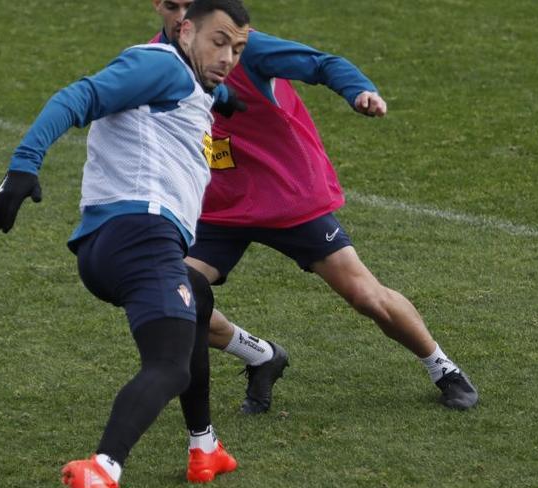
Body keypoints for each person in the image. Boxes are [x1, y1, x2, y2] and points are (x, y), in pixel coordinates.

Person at [150, 0, 479, 411]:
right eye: (174, 5)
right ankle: (261, 355)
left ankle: (442, 367)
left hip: (288, 197)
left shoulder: (247, 48)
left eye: (191, 4)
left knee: (364, 295)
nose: (183, 13)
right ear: (157, 5)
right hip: (220, 207)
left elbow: (322, 63)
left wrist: (358, 91)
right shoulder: (153, 60)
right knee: (171, 295)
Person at [0, 1, 251, 488]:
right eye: (219, 42)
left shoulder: (188, 80)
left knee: (196, 294)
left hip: (111, 245)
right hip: (142, 236)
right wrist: (24, 164)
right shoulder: (156, 64)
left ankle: (205, 448)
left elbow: (183, 94)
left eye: (238, 48)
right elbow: (78, 96)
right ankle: (104, 469)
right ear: (185, 29)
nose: (228, 57)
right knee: (169, 366)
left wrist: (223, 98)